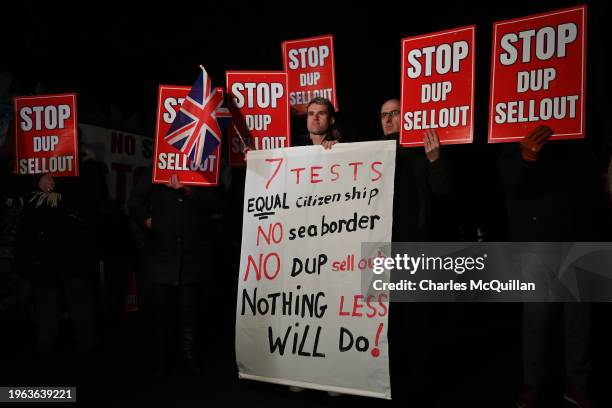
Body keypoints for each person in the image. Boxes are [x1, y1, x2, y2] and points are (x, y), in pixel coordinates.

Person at [500, 126, 602, 408]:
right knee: (536, 318)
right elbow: (512, 182)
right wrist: (526, 158)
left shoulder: (581, 130)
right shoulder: (511, 132)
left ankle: (577, 385)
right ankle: (532, 383)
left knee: (580, 320)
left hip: (581, 235)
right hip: (538, 239)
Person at [14, 156, 108, 381]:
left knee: (80, 306)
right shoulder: (31, 165)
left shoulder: (86, 166)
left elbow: (97, 191)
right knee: (46, 308)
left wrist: (56, 180)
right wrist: (36, 181)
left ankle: (88, 362)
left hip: (73, 253)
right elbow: (10, 183)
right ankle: (45, 362)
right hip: (43, 255)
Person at [128, 170, 225, 377]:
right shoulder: (155, 169)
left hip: (193, 255)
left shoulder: (207, 169)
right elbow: (135, 201)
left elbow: (221, 203)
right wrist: (148, 221)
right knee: (162, 311)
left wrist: (190, 192)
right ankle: (164, 358)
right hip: (162, 254)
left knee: (190, 311)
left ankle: (190, 357)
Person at [378, 98, 454, 241]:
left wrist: (435, 161)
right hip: (383, 236)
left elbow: (443, 190)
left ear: (408, 116)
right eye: (383, 115)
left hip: (417, 235)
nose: (387, 119)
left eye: (394, 113)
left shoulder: (424, 148)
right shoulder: (372, 152)